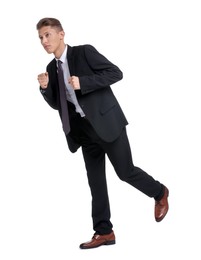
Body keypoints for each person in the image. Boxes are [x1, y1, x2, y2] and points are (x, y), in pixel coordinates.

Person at [36, 17, 169, 249]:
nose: (44, 41)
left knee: (125, 172)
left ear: (61, 34)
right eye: (40, 38)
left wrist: (83, 82)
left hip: (107, 123)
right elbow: (58, 104)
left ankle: (159, 192)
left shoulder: (84, 53)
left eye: (47, 35)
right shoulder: (50, 69)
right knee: (95, 183)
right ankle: (104, 232)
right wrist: (45, 89)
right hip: (83, 132)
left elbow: (116, 73)